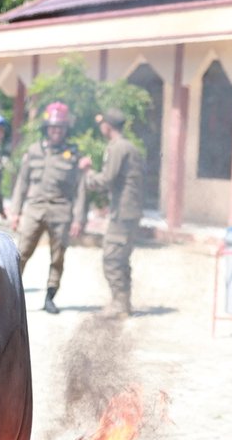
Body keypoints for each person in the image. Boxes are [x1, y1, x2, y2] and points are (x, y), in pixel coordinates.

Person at [11, 101, 90, 314]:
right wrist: (16, 212)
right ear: (46, 128)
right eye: (53, 127)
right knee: (21, 253)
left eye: (61, 127)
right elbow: (21, 183)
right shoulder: (33, 151)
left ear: (66, 129)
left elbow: (80, 189)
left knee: (57, 257)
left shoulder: (74, 155)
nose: (57, 131)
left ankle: (50, 297)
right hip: (34, 209)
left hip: (61, 211)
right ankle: (10, 296)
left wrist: (78, 219)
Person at [87, 107, 144, 316]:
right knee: (121, 257)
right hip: (129, 209)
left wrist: (89, 175)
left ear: (107, 126)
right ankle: (123, 302)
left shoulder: (117, 147)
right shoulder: (129, 147)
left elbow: (107, 178)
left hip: (123, 212)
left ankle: (119, 304)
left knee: (112, 257)